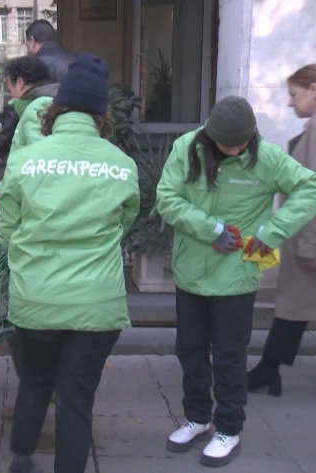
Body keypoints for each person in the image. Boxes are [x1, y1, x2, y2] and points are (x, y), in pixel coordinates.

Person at [0, 53, 140, 473]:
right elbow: (123, 225)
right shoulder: (122, 166)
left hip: (35, 299)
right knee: (77, 398)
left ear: (58, 107)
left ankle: (21, 458)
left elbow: (6, 232)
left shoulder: (24, 162)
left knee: (36, 381)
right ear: (101, 113)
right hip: (98, 304)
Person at [156, 95, 316, 467]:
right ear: (210, 137)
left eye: (241, 143)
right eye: (227, 144)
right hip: (191, 272)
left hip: (236, 277)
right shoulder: (187, 149)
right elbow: (166, 198)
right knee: (190, 351)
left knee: (228, 357)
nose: (235, 149)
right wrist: (209, 228)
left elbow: (309, 188)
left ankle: (229, 428)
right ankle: (197, 417)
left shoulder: (267, 157)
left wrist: (273, 231)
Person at [248, 64, 316, 397]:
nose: (290, 103)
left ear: (313, 89)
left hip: (309, 236)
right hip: (304, 234)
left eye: (293, 94)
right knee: (293, 307)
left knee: (293, 306)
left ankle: (267, 370)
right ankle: (268, 370)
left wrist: (307, 242)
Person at [0, 55, 55, 205]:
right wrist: (1, 187)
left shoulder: (35, 111)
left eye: (10, 89)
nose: (10, 96)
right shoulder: (51, 106)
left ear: (21, 83)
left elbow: (39, 168)